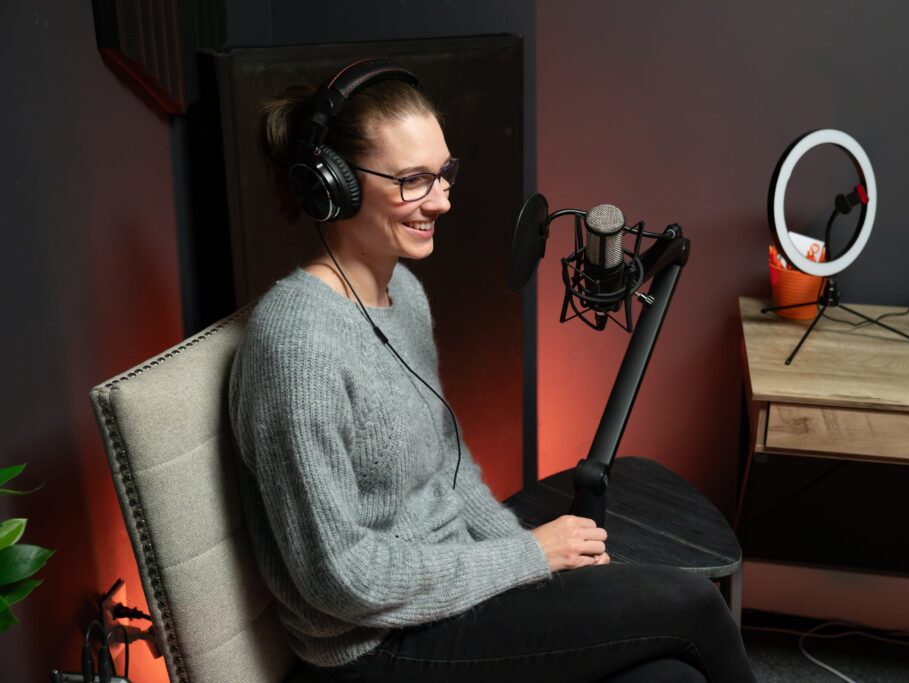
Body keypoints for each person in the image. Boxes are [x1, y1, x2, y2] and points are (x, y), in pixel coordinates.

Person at [229, 57, 756, 683]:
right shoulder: (296, 345)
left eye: (444, 174)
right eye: (413, 181)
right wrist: (530, 555)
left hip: (452, 599)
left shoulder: (405, 296)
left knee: (671, 678)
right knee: (695, 606)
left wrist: (530, 555)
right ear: (334, 184)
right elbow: (341, 578)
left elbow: (449, 475)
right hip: (377, 650)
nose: (442, 201)